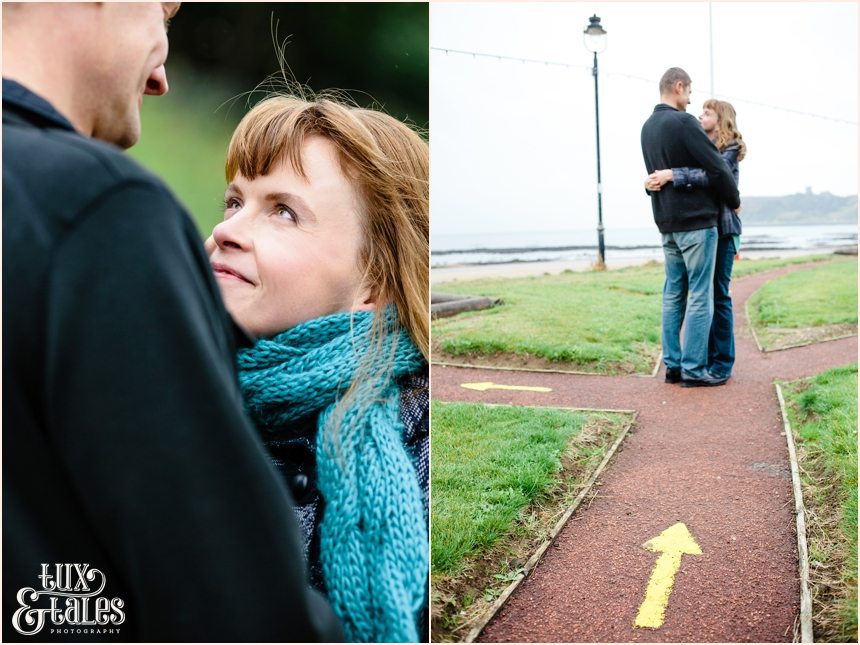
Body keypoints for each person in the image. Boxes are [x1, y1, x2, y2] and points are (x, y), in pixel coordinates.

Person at [2, 4, 342, 641]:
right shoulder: (99, 207)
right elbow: (245, 612)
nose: (160, 79)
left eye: (285, 212)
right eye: (164, 9)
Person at [205, 93, 429, 642]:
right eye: (234, 202)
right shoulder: (161, 392)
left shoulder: (419, 436)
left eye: (283, 211)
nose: (227, 230)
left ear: (373, 283)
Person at [640, 67, 741, 388]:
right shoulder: (683, 122)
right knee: (700, 295)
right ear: (678, 87)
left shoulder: (647, 127)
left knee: (673, 294)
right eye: (689, 91)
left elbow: (655, 179)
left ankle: (672, 366)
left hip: (666, 223)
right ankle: (694, 369)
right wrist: (734, 199)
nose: (691, 99)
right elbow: (717, 171)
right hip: (697, 223)